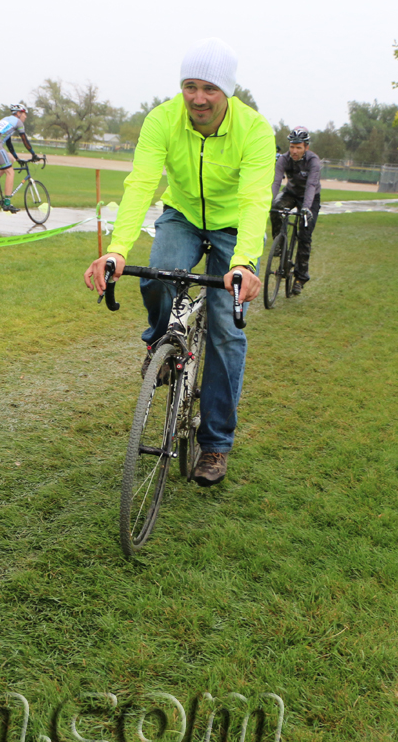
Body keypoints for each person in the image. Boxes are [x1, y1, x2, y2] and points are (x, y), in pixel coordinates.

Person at [83, 38, 272, 487]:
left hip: (232, 227)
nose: (198, 97)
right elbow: (141, 182)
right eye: (190, 86)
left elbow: (254, 199)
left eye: (209, 88)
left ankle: (215, 445)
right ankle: (160, 345)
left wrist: (243, 261)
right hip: (183, 215)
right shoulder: (163, 119)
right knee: (158, 275)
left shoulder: (255, 130)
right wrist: (118, 248)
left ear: (226, 91)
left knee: (227, 333)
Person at [270, 126, 322, 294]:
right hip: (291, 193)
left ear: (306, 147)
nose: (294, 150)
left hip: (310, 197)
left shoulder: (313, 161)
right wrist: (269, 200)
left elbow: (311, 186)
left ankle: (300, 277)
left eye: (298, 147)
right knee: (275, 208)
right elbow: (277, 181)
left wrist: (306, 208)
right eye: (292, 146)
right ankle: (279, 244)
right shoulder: (284, 159)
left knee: (305, 235)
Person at [0, 104, 39, 212]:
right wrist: (33, 154)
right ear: (18, 113)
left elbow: (8, 143)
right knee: (10, 172)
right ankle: (7, 203)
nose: (25, 116)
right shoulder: (18, 122)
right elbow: (25, 140)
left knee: (10, 160)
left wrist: (17, 158)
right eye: (24, 114)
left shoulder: (6, 120)